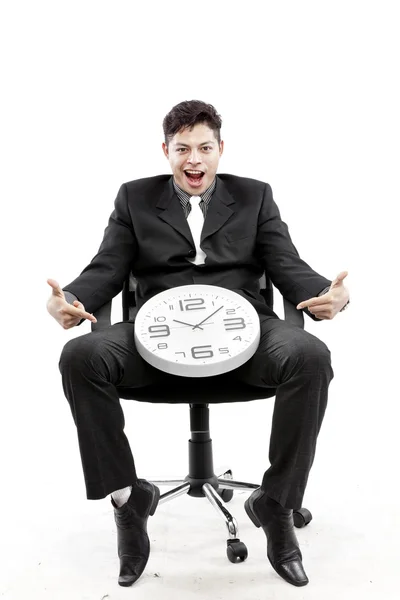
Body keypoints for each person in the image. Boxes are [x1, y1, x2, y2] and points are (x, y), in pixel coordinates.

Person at [47, 100, 349, 588]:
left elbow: (286, 262)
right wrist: (71, 300)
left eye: (205, 148)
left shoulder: (254, 197)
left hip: (247, 337)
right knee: (80, 355)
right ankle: (128, 501)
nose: (195, 160)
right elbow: (107, 266)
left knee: (310, 355)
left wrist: (326, 294)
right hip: (156, 341)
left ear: (220, 149)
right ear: (165, 151)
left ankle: (276, 504)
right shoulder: (134, 198)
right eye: (182, 148)